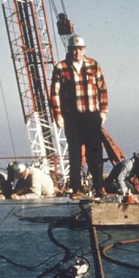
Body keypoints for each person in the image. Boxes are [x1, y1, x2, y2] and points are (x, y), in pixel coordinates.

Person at [50, 35, 108, 199]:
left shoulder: (93, 65)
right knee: (75, 153)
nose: (77, 52)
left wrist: (103, 111)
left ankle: (99, 187)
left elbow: (102, 88)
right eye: (74, 49)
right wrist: (58, 115)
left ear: (84, 49)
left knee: (95, 153)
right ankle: (76, 188)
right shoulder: (61, 67)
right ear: (69, 50)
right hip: (72, 117)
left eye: (80, 49)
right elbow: (54, 93)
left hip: (91, 115)